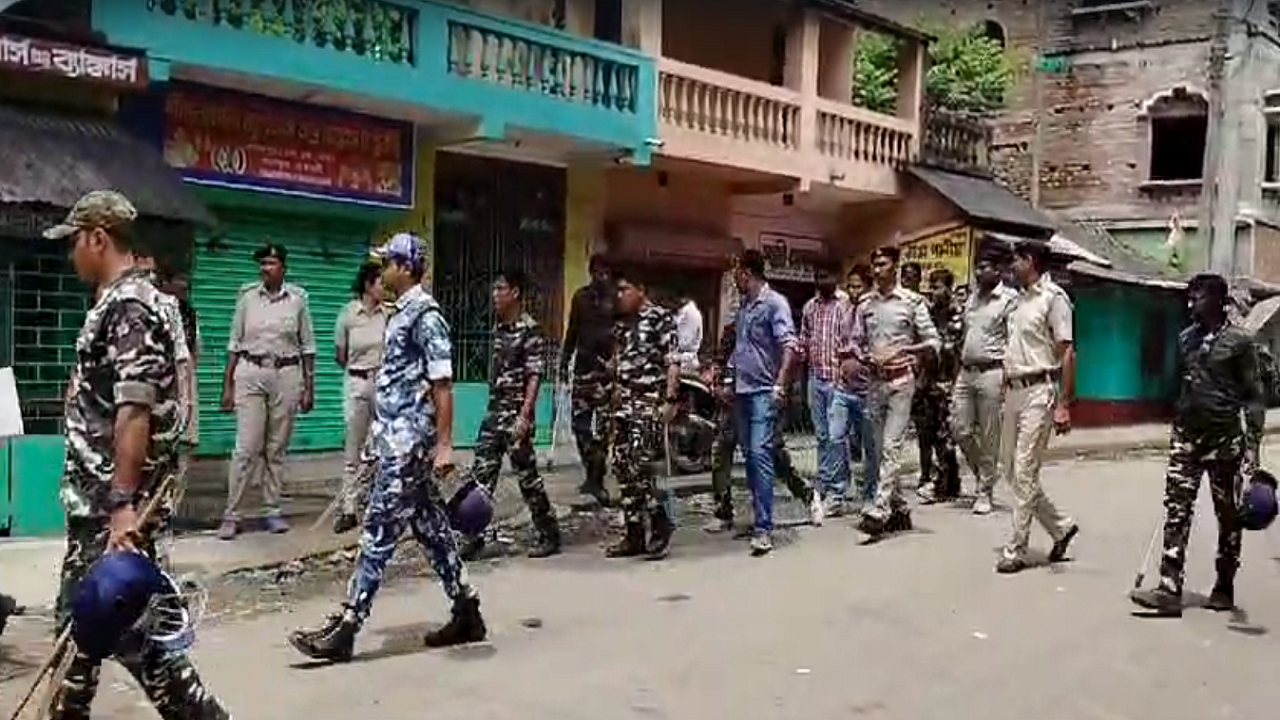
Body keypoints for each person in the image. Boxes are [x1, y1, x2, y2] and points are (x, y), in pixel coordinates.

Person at [42, 190, 230, 720]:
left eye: (74, 242)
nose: (71, 254)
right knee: (102, 629)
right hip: (104, 502)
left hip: (112, 506)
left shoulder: (130, 306)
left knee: (105, 628)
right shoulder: (139, 301)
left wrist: (123, 503)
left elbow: (134, 410)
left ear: (98, 238)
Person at [288, 233, 485, 662]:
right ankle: (466, 607)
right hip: (395, 438)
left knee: (377, 531)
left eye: (389, 263)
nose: (383, 271)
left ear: (406, 267)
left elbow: (442, 384)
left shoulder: (426, 317)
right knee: (432, 530)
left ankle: (348, 625)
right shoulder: (401, 313)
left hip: (410, 444)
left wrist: (445, 445)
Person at [1130, 274, 1262, 615]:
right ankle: (1168, 588)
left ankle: (1224, 585)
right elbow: (1185, 383)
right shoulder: (1186, 338)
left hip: (1225, 442)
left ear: (1219, 301)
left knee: (1229, 516)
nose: (1190, 304)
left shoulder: (1240, 342)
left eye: (1198, 298)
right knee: (1177, 510)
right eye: (1189, 298)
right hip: (1187, 438)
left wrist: (1252, 449)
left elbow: (1254, 398)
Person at [459, 269, 561, 559]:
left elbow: (534, 375)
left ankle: (549, 533)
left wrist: (525, 416)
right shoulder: (498, 328)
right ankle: (473, 535)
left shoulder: (530, 329)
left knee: (528, 478)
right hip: (495, 412)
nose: (495, 295)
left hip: (517, 414)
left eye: (500, 289)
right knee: (481, 476)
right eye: (494, 290)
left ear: (515, 293)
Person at [218, 243, 317, 539]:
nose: (265, 268)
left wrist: (309, 388)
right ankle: (232, 514)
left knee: (276, 449)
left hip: (287, 374)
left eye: (271, 263)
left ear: (283, 268)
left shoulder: (298, 300)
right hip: (250, 372)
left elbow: (308, 346)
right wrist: (228, 384)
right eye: (262, 263)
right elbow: (234, 344)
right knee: (246, 448)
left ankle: (272, 510)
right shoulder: (247, 298)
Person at [995, 241, 1080, 574]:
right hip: (1014, 391)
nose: (1011, 266)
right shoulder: (1016, 302)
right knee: (1011, 470)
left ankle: (1016, 548)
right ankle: (1061, 527)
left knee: (1026, 470)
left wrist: (1063, 405)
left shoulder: (1054, 299)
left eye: (1016, 259)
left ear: (1030, 261)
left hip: (1039, 391)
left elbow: (1067, 352)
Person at [855, 246, 939, 539]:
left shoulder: (912, 302)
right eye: (874, 264)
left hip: (902, 381)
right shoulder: (865, 304)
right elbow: (856, 341)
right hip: (874, 383)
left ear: (895, 266)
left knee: (891, 446)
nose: (877, 270)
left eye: (883, 264)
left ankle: (879, 511)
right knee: (877, 451)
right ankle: (900, 507)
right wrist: (861, 355)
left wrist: (907, 349)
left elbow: (933, 341)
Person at [704, 318, 818, 534]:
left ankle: (806, 495)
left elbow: (786, 365)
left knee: (771, 456)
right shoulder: (732, 329)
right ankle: (723, 511)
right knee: (721, 451)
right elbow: (721, 361)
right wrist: (717, 383)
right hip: (733, 402)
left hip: (763, 402)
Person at [729, 250, 804, 555]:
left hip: (764, 392)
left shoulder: (775, 303)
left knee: (760, 454)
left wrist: (780, 385)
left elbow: (790, 347)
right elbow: (741, 348)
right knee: (750, 455)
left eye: (736, 272)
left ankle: (764, 528)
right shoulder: (744, 307)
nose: (734, 278)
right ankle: (760, 516)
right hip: (742, 391)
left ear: (746, 272)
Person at [951, 249, 1016, 515]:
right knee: (959, 429)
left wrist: (1007, 379)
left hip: (992, 373)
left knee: (989, 436)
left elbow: (1013, 342)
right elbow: (965, 336)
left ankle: (984, 491)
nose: (979, 273)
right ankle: (987, 475)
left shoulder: (1009, 300)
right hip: (966, 372)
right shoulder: (971, 300)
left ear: (998, 270)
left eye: (985, 267)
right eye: (977, 267)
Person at [332, 262, 388, 534]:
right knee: (353, 449)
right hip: (356, 382)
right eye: (380, 283)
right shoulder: (348, 314)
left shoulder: (387, 315)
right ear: (368, 285)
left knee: (379, 448)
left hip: (383, 382)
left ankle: (374, 505)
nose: (384, 288)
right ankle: (349, 508)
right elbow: (339, 354)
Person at [561, 253, 615, 505]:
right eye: (598, 272)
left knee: (604, 432)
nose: (602, 276)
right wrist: (563, 363)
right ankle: (591, 472)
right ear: (591, 272)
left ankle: (598, 481)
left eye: (606, 272)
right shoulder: (580, 297)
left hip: (606, 376)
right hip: (583, 372)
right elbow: (572, 330)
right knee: (580, 427)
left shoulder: (615, 300)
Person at [799, 266, 853, 517]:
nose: (824, 280)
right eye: (820, 276)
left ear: (836, 278)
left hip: (837, 380)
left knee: (836, 437)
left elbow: (850, 342)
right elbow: (804, 340)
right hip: (815, 378)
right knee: (821, 435)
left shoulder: (845, 305)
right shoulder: (810, 307)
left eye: (828, 275)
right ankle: (825, 481)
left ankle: (838, 490)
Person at [914, 268, 962, 505]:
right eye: (931, 287)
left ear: (949, 288)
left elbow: (948, 350)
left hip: (947, 382)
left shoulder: (956, 314)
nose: (933, 292)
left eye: (938, 287)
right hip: (926, 382)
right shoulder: (928, 313)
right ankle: (931, 477)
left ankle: (946, 483)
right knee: (927, 434)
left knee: (945, 437)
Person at [831, 285, 879, 512]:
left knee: (870, 446)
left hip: (868, 389)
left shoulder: (874, 311)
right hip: (843, 387)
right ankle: (838, 492)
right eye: (850, 285)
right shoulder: (844, 310)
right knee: (835, 438)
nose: (854, 290)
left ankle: (870, 494)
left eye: (859, 285)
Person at [672, 291, 704, 373]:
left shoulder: (690, 314)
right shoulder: (683, 312)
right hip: (682, 358)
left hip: (686, 361)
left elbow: (684, 343)